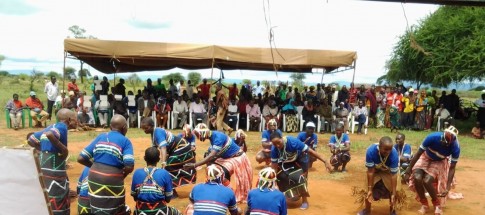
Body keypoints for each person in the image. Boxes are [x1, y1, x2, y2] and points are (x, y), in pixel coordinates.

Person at [78, 114, 135, 215]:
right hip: (113, 178)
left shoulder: (101, 137)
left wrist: (96, 167)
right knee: (115, 207)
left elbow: (81, 158)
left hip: (94, 176)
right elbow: (129, 165)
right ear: (124, 128)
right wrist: (122, 175)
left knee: (97, 206)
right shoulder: (125, 141)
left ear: (110, 127)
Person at [27, 109, 76, 215]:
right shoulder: (62, 127)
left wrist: (43, 150)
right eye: (75, 119)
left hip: (44, 166)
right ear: (68, 120)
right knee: (57, 195)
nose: (77, 122)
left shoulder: (51, 126)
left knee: (47, 192)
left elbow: (31, 139)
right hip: (54, 169)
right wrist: (63, 150)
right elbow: (50, 134)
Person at [188, 124, 253, 203]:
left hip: (237, 158)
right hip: (227, 158)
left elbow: (212, 156)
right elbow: (212, 156)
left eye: (198, 135)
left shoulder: (218, 137)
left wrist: (195, 165)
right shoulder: (213, 137)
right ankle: (218, 189)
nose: (198, 138)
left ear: (203, 133)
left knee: (221, 172)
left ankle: (228, 194)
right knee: (212, 167)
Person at [404, 126, 460, 215]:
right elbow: (418, 154)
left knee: (427, 181)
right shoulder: (432, 137)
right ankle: (424, 204)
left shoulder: (455, 147)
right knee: (417, 177)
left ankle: (437, 204)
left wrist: (448, 187)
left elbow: (452, 168)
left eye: (447, 144)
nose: (445, 145)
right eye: (444, 142)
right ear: (442, 136)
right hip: (425, 156)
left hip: (440, 161)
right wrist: (408, 170)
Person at [270, 132, 332, 210]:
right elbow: (274, 167)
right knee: (280, 176)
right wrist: (273, 182)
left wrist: (325, 161)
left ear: (282, 138)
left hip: (300, 158)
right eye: (275, 144)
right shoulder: (274, 149)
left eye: (278, 142)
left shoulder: (293, 142)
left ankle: (305, 201)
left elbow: (311, 151)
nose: (277, 145)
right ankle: (283, 197)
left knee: (301, 177)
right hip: (286, 162)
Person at [141, 118, 196, 193]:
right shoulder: (153, 134)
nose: (145, 130)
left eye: (146, 128)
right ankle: (170, 190)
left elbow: (163, 147)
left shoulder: (158, 132)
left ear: (152, 126)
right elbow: (154, 149)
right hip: (175, 149)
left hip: (181, 147)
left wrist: (164, 163)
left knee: (168, 167)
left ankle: (171, 191)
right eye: (143, 129)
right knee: (168, 167)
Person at [131, 147, 182, 215]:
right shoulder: (164, 173)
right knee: (177, 213)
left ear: (144, 158)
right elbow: (168, 198)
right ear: (158, 159)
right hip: (161, 212)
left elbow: (134, 196)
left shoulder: (137, 173)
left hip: (141, 212)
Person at [357, 136, 399, 215]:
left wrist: (393, 193)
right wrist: (369, 189)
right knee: (367, 189)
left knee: (395, 190)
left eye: (390, 149)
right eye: (385, 149)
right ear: (379, 147)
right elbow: (370, 172)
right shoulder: (370, 151)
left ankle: (392, 210)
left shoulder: (394, 154)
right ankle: (367, 210)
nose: (388, 152)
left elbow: (393, 175)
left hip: (389, 172)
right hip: (375, 171)